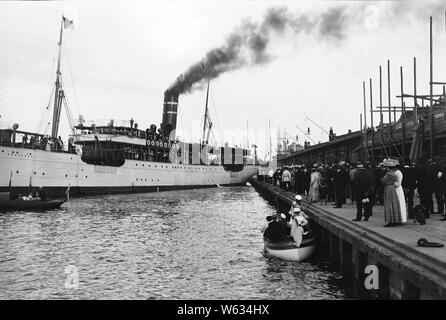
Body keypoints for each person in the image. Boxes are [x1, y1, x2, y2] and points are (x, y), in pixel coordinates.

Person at [381, 159, 403, 227]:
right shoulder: (394, 173)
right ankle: (396, 219)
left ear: (388, 167)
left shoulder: (388, 174)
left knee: (389, 204)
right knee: (395, 204)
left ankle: (390, 220)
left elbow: (383, 181)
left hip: (388, 188)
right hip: (393, 189)